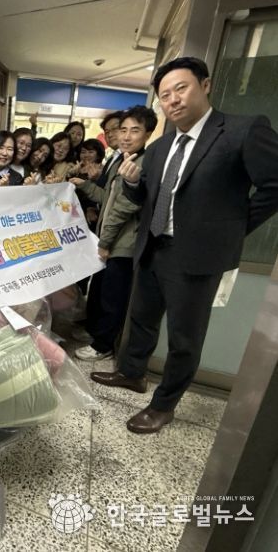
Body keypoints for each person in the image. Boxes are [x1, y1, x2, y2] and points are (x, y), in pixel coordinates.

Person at [91, 56, 278, 433]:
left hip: (197, 256)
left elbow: (274, 184)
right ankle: (132, 372)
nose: (173, 99)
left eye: (181, 88)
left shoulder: (241, 131)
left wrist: (233, 228)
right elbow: (147, 197)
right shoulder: (161, 147)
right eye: (165, 95)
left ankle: (164, 405)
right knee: (142, 318)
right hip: (153, 246)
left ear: (205, 85)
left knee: (184, 337)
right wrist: (132, 183)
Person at [73, 106, 157, 362]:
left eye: (135, 131)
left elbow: (123, 208)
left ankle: (103, 345)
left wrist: (105, 242)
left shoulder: (140, 165)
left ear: (148, 134)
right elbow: (107, 197)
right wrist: (85, 185)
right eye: (123, 130)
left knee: (113, 296)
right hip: (109, 240)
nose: (126, 136)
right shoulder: (120, 161)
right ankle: (96, 334)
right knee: (100, 291)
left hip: (123, 244)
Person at [95, 111, 123, 189]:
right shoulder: (111, 158)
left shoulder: (132, 158)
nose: (110, 135)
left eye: (115, 129)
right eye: (107, 132)